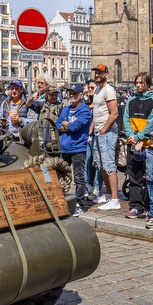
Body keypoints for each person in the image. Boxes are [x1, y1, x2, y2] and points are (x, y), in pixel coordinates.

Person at [122, 72, 153, 219]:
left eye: (141, 83)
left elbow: (152, 122)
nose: (138, 85)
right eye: (137, 83)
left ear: (148, 84)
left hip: (148, 144)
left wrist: (139, 136)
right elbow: (125, 119)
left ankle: (151, 206)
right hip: (132, 143)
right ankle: (136, 206)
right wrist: (130, 135)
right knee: (134, 176)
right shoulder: (131, 100)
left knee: (151, 176)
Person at [90, 64, 122, 211]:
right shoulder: (97, 89)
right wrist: (93, 130)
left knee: (109, 165)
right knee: (101, 164)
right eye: (96, 72)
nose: (97, 75)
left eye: (100, 72)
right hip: (98, 132)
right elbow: (96, 112)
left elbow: (114, 113)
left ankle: (115, 199)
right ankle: (109, 194)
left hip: (107, 132)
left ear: (106, 74)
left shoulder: (109, 90)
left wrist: (103, 130)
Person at [57, 83, 93, 211]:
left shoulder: (84, 110)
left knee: (79, 178)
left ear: (81, 95)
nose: (71, 95)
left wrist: (66, 124)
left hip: (78, 149)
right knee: (61, 175)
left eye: (75, 93)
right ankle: (61, 199)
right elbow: (57, 125)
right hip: (64, 147)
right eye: (70, 93)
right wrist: (67, 125)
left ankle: (79, 203)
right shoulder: (66, 109)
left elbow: (75, 127)